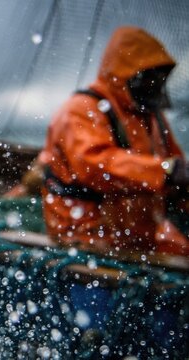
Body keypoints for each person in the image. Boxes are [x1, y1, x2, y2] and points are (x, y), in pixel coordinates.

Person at [41, 26, 188, 256]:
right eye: (148, 77)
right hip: (86, 237)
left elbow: (178, 172)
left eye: (159, 77)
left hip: (142, 236)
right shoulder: (80, 109)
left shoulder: (152, 117)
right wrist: (164, 171)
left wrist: (177, 178)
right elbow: (95, 165)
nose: (154, 84)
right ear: (127, 74)